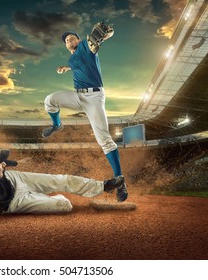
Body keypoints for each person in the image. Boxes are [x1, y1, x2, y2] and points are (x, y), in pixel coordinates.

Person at [42, 21, 128, 202]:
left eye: (71, 37)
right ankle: (57, 125)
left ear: (78, 39)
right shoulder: (72, 58)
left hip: (94, 98)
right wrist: (66, 68)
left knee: (104, 139)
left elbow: (95, 42)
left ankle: (120, 180)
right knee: (50, 100)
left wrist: (103, 34)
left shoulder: (84, 46)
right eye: (66, 40)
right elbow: (77, 64)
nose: (68, 40)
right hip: (78, 97)